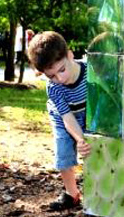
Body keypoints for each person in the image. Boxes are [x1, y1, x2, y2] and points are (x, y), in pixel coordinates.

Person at [27, 31, 91, 211]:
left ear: (70, 55)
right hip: (63, 117)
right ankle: (72, 194)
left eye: (62, 70)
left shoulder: (90, 71)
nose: (60, 78)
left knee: (92, 149)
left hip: (87, 111)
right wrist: (79, 139)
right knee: (63, 153)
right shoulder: (54, 88)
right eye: (51, 75)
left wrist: (85, 140)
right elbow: (67, 117)